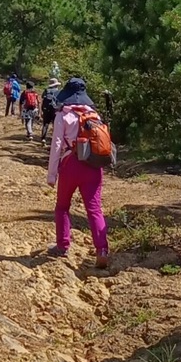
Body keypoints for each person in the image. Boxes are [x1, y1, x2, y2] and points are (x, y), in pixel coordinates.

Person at [45, 75, 111, 269]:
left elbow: (56, 145)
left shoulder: (63, 115)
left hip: (70, 164)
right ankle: (102, 250)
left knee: (62, 206)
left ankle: (63, 245)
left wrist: (51, 175)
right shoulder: (94, 115)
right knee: (94, 209)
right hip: (92, 164)